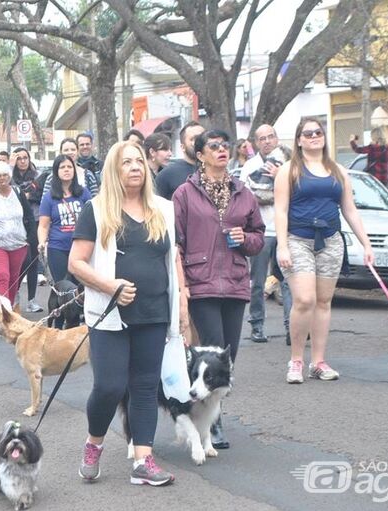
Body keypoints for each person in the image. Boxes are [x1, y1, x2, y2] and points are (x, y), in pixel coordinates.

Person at [69, 141, 186, 487]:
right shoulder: (96, 209)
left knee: (145, 386)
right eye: (126, 163)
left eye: (139, 161)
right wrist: (109, 286)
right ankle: (94, 443)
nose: (135, 167)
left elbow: (171, 262)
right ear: (113, 171)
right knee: (109, 386)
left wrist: (181, 309)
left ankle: (143, 460)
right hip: (109, 314)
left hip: (154, 311)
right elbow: (75, 262)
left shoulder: (164, 210)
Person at [173, 129, 265, 448]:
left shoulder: (242, 191)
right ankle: (213, 424)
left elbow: (258, 236)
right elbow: (177, 242)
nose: (222, 150)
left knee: (229, 355)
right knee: (211, 349)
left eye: (225, 146)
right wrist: (181, 284)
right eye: (214, 147)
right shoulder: (185, 194)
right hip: (202, 282)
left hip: (236, 281)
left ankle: (212, 412)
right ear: (200, 155)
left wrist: (246, 239)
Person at [275, 118, 374, 384]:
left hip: (330, 240)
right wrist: (282, 245)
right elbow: (281, 210)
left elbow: (349, 209)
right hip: (298, 239)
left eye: (318, 132)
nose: (314, 137)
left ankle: (318, 362)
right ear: (298, 140)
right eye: (308, 134)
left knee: (323, 301)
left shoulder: (338, 170)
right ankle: (296, 360)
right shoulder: (289, 170)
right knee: (304, 300)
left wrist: (366, 243)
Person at [240, 125, 293, 344]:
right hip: (260, 231)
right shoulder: (250, 166)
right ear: (256, 142)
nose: (267, 141)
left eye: (271, 137)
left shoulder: (289, 164)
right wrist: (272, 194)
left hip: (286, 230)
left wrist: (279, 178)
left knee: (289, 281)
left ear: (277, 138)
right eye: (262, 138)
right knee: (258, 281)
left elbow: (296, 192)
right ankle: (257, 325)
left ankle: (293, 328)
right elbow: (246, 197)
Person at [38, 154, 92, 327]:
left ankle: (76, 325)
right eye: (62, 167)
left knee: (80, 288)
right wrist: (41, 242)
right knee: (62, 289)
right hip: (58, 249)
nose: (66, 170)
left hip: (82, 248)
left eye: (69, 167)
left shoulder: (83, 193)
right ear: (56, 172)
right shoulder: (49, 198)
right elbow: (44, 225)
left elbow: (94, 219)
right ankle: (58, 327)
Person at [0, 161, 37, 306]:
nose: (2, 178)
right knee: (3, 276)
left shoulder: (18, 193)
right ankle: (3, 311)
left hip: (19, 244)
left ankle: (8, 310)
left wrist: (30, 238)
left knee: (14, 279)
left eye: (4, 175)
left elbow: (29, 216)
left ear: (9, 176)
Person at [12, 147, 45, 312]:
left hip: (34, 220)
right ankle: (14, 293)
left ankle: (32, 299)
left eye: (25, 158)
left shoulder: (37, 176)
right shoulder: (11, 177)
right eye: (19, 158)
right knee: (20, 261)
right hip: (16, 223)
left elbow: (42, 195)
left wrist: (29, 196)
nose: (23, 161)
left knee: (32, 260)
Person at [156, 120, 205, 200]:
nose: (199, 142)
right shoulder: (167, 175)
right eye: (194, 138)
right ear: (182, 147)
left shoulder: (216, 171)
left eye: (203, 137)